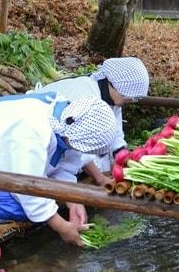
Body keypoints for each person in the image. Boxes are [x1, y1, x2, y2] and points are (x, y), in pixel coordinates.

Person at [0, 92, 117, 246]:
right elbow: (25, 187)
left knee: (46, 201)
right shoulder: (31, 131)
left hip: (1, 156)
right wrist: (62, 227)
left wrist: (72, 199)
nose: (79, 151)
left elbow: (65, 165)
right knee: (22, 209)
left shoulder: (68, 121)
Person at [37, 57, 149, 185]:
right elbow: (78, 146)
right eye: (129, 98)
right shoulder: (86, 97)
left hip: (67, 144)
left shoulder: (112, 98)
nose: (130, 101)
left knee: (102, 163)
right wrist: (100, 177)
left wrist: (121, 154)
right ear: (116, 86)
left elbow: (115, 130)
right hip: (44, 141)